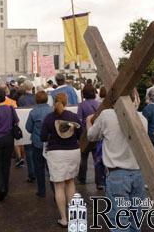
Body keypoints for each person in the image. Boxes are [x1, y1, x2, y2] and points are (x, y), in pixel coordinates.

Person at [87, 92, 148, 232]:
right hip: (139, 173)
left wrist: (88, 122)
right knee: (135, 218)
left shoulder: (107, 115)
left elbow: (91, 136)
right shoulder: (142, 118)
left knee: (119, 221)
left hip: (117, 174)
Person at [41, 93, 82, 227]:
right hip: (73, 151)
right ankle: (73, 216)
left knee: (59, 186)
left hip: (56, 153)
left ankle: (64, 219)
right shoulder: (73, 116)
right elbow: (80, 133)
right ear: (66, 102)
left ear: (54, 102)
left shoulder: (48, 118)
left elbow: (43, 137)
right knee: (70, 183)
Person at [26, 90, 52, 197]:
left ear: (36, 100)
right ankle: (56, 191)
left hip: (37, 143)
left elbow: (28, 128)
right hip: (51, 144)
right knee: (51, 168)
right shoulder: (52, 110)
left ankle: (42, 191)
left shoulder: (33, 112)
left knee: (39, 168)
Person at [77, 85, 104, 189]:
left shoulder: (81, 105)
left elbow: (79, 119)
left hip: (85, 134)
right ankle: (99, 181)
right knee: (97, 158)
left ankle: (82, 178)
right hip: (97, 134)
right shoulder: (99, 104)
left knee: (83, 157)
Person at [17, 80, 36, 182]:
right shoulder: (36, 97)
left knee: (28, 150)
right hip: (36, 126)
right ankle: (37, 172)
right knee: (37, 151)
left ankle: (31, 173)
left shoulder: (21, 99)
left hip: (26, 126)